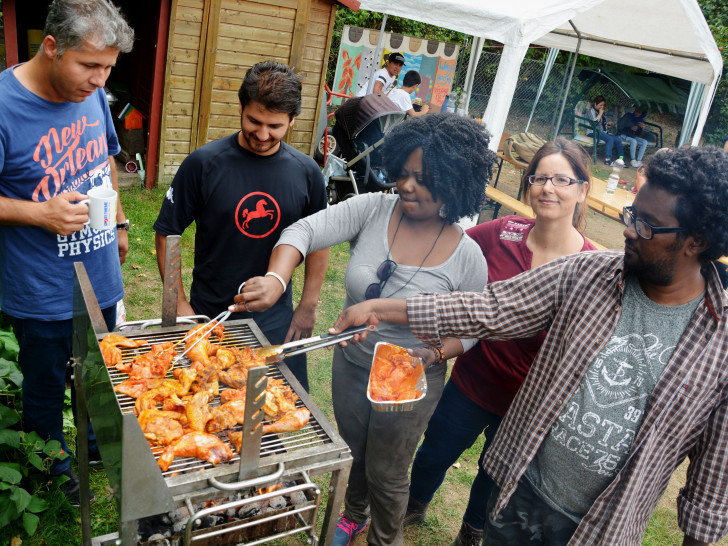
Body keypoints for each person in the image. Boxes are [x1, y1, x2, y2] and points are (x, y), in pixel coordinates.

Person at [332, 145, 728, 546]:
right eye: (632, 215)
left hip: (603, 527)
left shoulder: (721, 343)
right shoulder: (588, 274)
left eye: (646, 225)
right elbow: (490, 306)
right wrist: (382, 307)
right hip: (521, 490)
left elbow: (714, 472)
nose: (628, 230)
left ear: (695, 241)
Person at [230, 113, 495, 546]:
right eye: (403, 174)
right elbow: (305, 229)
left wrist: (432, 354)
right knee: (354, 452)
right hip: (350, 362)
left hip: (408, 381)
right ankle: (353, 516)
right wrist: (278, 279)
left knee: (387, 473)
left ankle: (385, 538)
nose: (407, 186)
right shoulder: (373, 209)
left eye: (423, 179)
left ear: (454, 182)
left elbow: (473, 327)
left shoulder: (468, 256)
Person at [403, 137, 597, 546]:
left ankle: (472, 533)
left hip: (530, 403)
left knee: (496, 474)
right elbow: (452, 245)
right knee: (435, 451)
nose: (548, 188)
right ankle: (413, 504)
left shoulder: (592, 267)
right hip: (472, 383)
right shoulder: (501, 232)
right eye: (539, 177)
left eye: (562, 179)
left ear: (582, 190)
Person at [0, 0, 134, 506]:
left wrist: (119, 222)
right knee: (44, 383)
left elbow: (103, 157)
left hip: (99, 270)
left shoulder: (92, 93)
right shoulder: (4, 105)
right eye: (90, 65)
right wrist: (41, 214)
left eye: (108, 68)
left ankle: (96, 442)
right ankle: (52, 461)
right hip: (40, 284)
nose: (100, 80)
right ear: (51, 47)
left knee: (102, 367)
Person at [153, 61, 328, 392]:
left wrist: (307, 306)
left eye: (275, 126)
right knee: (210, 413)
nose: (262, 135)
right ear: (241, 108)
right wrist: (181, 309)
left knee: (277, 416)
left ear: (293, 119)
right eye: (254, 121)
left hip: (276, 321)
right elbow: (167, 232)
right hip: (210, 316)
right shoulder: (204, 164)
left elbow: (318, 242)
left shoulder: (306, 173)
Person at [587, 95, 624, 166]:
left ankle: (621, 159)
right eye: (600, 105)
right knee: (610, 139)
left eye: (603, 105)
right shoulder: (590, 111)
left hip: (601, 132)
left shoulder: (601, 112)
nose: (602, 107)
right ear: (595, 104)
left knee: (618, 139)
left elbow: (602, 123)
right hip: (592, 132)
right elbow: (594, 123)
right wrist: (600, 113)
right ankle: (608, 160)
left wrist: (606, 124)